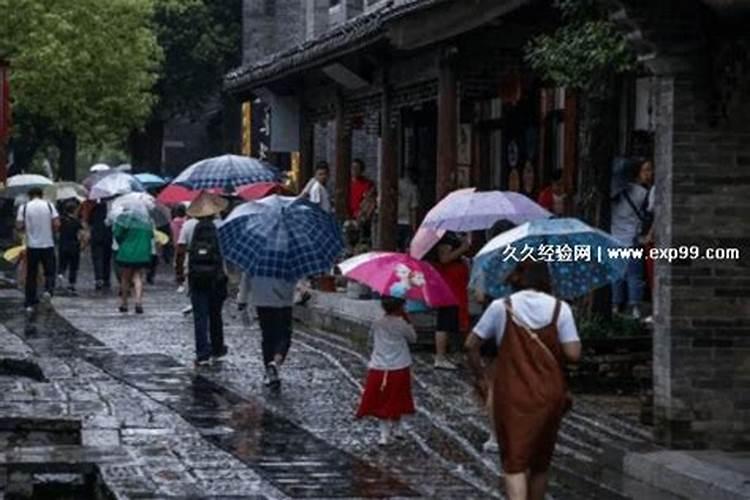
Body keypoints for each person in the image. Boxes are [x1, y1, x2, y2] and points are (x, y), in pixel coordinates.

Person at [465, 261, 581, 500]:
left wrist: (481, 379)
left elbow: (471, 345)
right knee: (540, 464)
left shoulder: (501, 307)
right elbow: (573, 354)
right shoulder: (561, 309)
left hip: (512, 393)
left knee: (514, 463)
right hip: (549, 393)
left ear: (518, 277)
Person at [356, 296, 417, 445]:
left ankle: (384, 435)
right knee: (398, 397)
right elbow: (413, 338)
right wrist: (409, 323)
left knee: (381, 400)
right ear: (400, 308)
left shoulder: (377, 323)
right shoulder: (402, 324)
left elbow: (370, 339)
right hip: (400, 366)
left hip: (379, 367)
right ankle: (398, 429)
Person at [183, 193, 230, 367]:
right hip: (217, 276)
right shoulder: (223, 226)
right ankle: (218, 348)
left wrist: (181, 274)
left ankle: (202, 353)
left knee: (200, 317)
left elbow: (181, 248)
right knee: (215, 314)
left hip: (196, 277)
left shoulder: (188, 226)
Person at [610, 159, 653, 319]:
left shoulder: (611, 195)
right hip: (632, 241)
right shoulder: (641, 193)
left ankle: (615, 306)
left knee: (617, 275)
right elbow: (648, 213)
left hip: (613, 241)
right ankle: (635, 308)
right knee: (634, 276)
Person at [427, 231, 471, 370]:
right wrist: (463, 248)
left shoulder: (456, 236)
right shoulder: (445, 237)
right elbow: (444, 258)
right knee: (445, 319)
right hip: (450, 284)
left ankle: (449, 354)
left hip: (456, 283)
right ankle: (440, 356)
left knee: (452, 320)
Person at [249, 274, 298, 390]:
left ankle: (269, 370)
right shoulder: (288, 258)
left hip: (262, 300)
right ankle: (275, 363)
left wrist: (242, 298)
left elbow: (248, 276)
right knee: (284, 335)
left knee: (267, 336)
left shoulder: (259, 258)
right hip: (283, 301)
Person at [16, 187, 59, 312]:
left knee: (31, 274)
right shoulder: (49, 206)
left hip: (32, 246)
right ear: (41, 195)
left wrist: (26, 229)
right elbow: (56, 224)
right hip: (48, 244)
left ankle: (30, 301)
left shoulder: (24, 207)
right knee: (50, 272)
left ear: (30, 196)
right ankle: (48, 291)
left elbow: (19, 225)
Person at [112, 209, 154, 315]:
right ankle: (138, 303)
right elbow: (151, 235)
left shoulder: (123, 219)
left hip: (127, 252)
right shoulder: (146, 220)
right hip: (142, 252)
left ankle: (124, 304)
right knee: (138, 277)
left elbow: (117, 235)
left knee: (125, 278)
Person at [83, 199, 113, 291]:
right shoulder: (110, 209)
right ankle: (106, 279)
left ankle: (99, 278)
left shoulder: (94, 208)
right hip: (108, 235)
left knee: (97, 258)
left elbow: (89, 221)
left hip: (96, 235)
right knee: (107, 258)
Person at [57, 201, 83, 294]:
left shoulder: (62, 220)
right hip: (74, 246)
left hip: (63, 245)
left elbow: (57, 231)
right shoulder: (77, 222)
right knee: (73, 266)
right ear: (74, 210)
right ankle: (71, 284)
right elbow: (80, 235)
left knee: (62, 263)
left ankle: (60, 276)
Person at [397, 169, 419, 251]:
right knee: (404, 248)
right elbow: (413, 209)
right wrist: (414, 228)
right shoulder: (413, 188)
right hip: (406, 222)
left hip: (394, 221)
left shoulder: (396, 184)